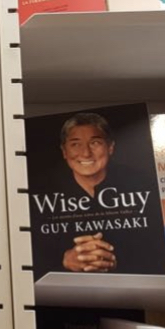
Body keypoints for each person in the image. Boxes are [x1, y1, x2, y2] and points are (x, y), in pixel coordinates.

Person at [56, 113, 119, 273]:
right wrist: (65, 260)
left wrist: (108, 260)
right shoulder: (41, 195)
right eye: (75, 144)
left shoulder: (142, 183)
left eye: (95, 143)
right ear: (64, 151)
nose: (86, 153)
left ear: (110, 147)